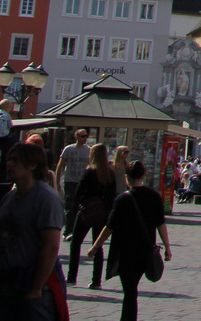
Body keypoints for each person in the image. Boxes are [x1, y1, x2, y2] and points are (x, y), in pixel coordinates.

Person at [0, 141, 64, 321]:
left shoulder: (45, 198)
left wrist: (36, 288)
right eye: (9, 160)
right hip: (6, 283)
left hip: (33, 284)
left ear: (32, 165)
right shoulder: (9, 198)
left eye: (15, 161)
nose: (9, 164)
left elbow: (51, 247)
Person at [89, 161, 171, 321]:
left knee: (130, 290)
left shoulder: (122, 199)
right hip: (145, 250)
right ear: (143, 176)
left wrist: (94, 247)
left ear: (127, 177)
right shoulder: (153, 196)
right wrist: (167, 247)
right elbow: (160, 223)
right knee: (131, 290)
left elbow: (109, 227)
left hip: (125, 251)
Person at [67, 144, 116, 289]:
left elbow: (79, 192)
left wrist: (80, 205)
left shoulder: (90, 172)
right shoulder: (110, 173)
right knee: (97, 245)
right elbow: (111, 196)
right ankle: (96, 281)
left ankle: (71, 277)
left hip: (87, 211)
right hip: (102, 213)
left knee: (76, 243)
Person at [54, 131, 91, 210]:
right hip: (70, 180)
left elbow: (91, 165)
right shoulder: (68, 149)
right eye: (82, 136)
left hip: (81, 181)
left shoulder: (88, 150)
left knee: (80, 203)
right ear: (76, 137)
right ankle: (69, 221)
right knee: (70, 203)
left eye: (86, 136)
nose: (85, 138)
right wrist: (57, 182)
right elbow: (60, 165)